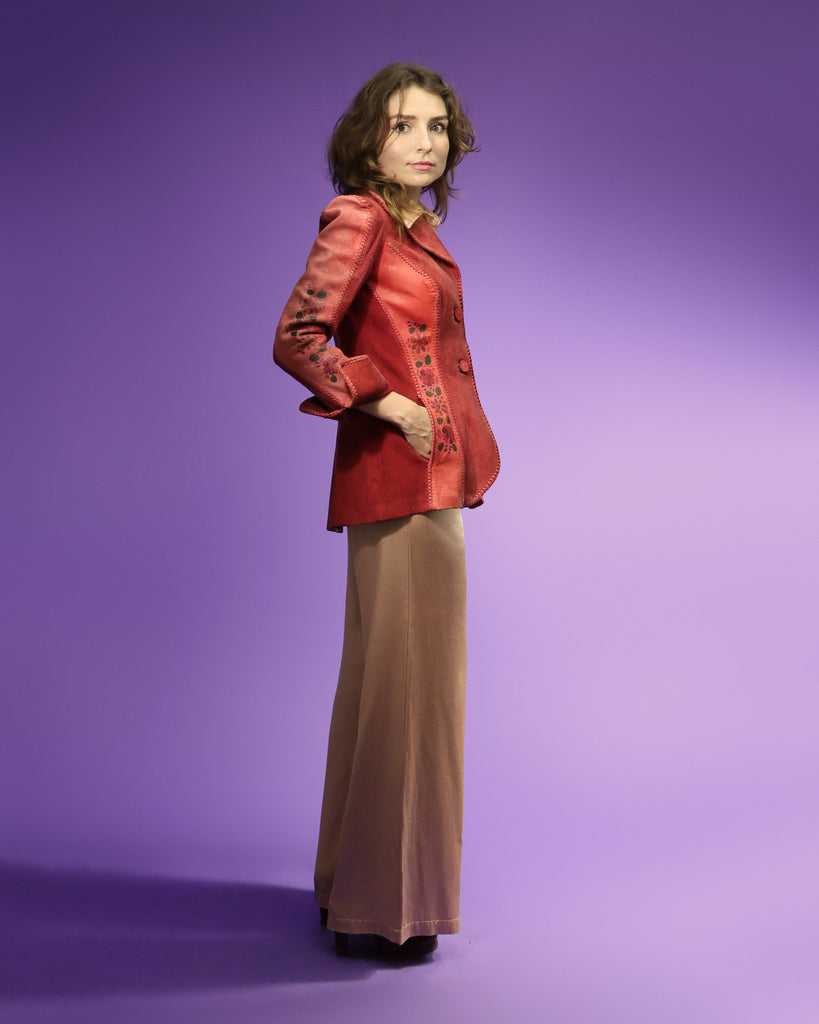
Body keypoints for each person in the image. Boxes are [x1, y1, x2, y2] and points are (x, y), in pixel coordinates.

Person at [273, 62, 500, 958]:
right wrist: (385, 402)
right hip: (402, 478)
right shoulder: (361, 219)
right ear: (368, 140)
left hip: (426, 478)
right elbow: (299, 337)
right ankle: (387, 916)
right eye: (403, 125)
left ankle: (350, 892)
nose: (424, 142)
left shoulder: (415, 229)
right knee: (415, 700)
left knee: (383, 692)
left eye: (437, 127)